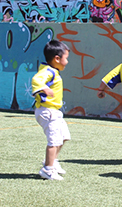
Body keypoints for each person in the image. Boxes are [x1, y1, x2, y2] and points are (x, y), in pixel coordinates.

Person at [32, 40, 71, 180]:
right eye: (66, 58)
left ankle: (52, 162)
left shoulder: (52, 70)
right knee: (54, 141)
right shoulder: (48, 71)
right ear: (57, 58)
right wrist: (44, 88)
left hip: (54, 111)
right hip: (47, 111)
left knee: (64, 137)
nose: (67, 62)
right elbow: (36, 80)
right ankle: (47, 170)